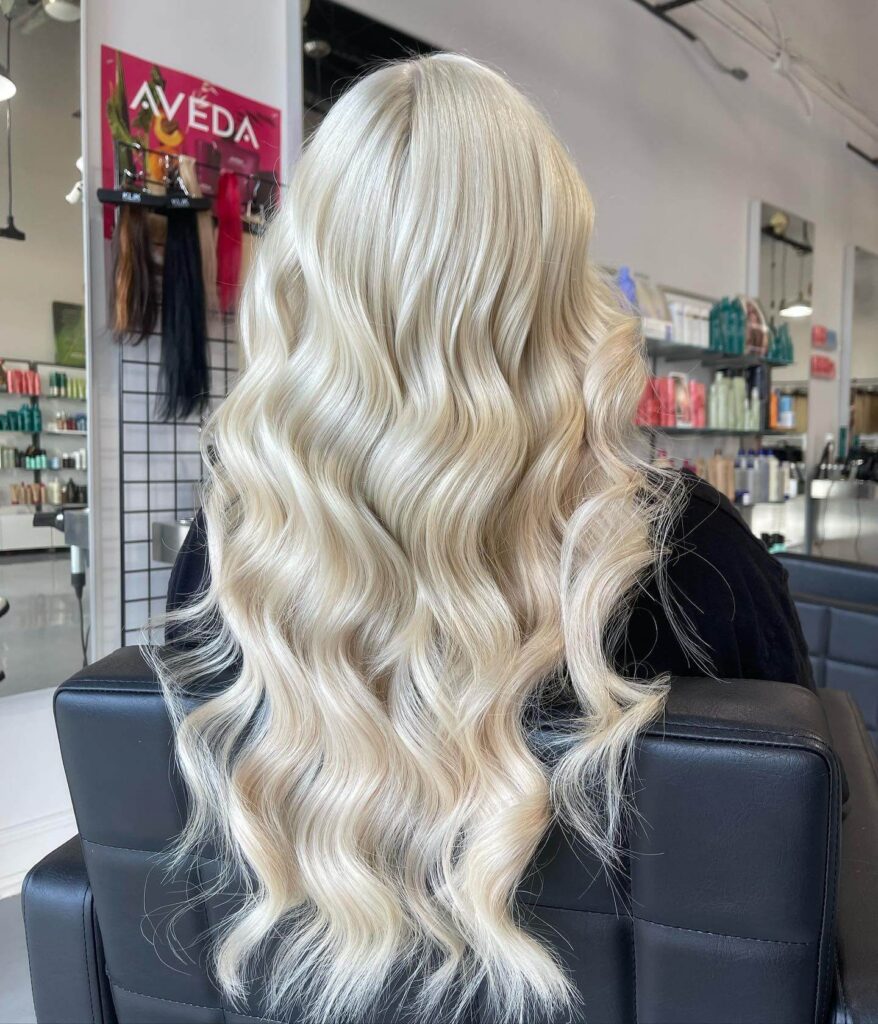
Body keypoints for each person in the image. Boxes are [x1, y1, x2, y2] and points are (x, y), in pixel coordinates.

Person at [157, 53, 811, 1024]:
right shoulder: (701, 562)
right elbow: (794, 878)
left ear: (306, 276)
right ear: (557, 281)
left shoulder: (231, 561)